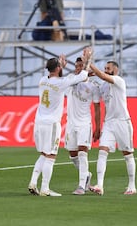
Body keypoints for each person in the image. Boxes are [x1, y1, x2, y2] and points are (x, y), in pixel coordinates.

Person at [28, 54, 88, 197]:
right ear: (58, 68)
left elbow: (58, 78)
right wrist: (87, 61)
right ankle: (45, 188)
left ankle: (33, 182)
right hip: (52, 123)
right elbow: (83, 76)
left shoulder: (43, 80)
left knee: (43, 154)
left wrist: (60, 66)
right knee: (51, 156)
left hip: (39, 122)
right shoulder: (61, 82)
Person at [84, 48, 137, 196]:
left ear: (115, 70)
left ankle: (132, 186)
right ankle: (100, 185)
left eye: (109, 69)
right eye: (105, 68)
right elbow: (97, 78)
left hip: (122, 121)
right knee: (102, 151)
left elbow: (101, 75)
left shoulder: (119, 81)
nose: (106, 70)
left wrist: (89, 61)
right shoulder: (103, 86)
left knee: (127, 154)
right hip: (109, 123)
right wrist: (86, 71)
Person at [64, 57, 101, 195]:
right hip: (71, 123)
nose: (78, 68)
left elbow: (97, 108)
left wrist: (98, 127)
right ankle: (86, 175)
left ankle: (81, 186)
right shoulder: (70, 79)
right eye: (77, 66)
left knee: (82, 152)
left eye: (81, 66)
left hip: (85, 123)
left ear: (87, 68)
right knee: (73, 155)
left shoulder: (94, 86)